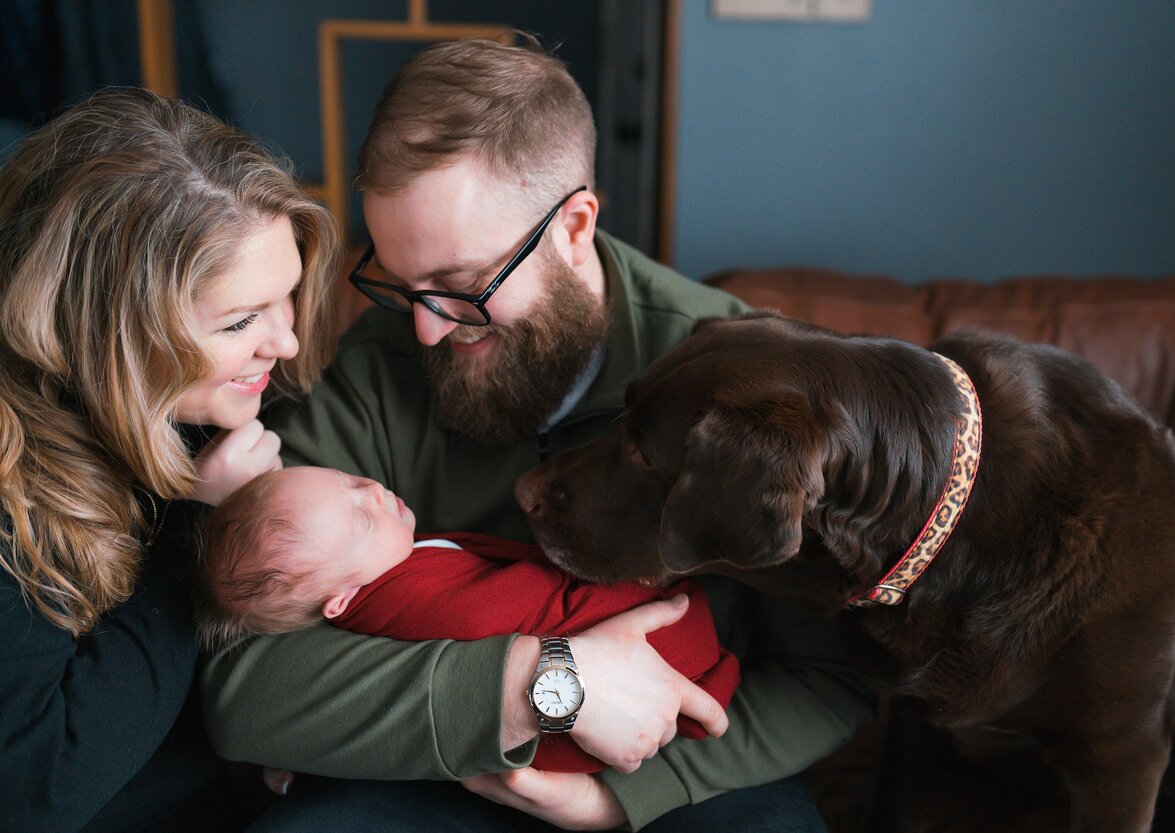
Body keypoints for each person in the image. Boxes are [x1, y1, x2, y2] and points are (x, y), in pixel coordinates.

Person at [200, 35, 875, 833]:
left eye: (459, 286)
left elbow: (829, 678)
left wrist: (614, 801)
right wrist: (537, 684)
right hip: (437, 769)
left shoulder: (740, 384)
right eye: (398, 281)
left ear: (576, 225)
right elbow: (242, 687)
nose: (422, 331)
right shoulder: (380, 365)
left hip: (681, 775)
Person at [0, 87, 340, 832]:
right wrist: (198, 526)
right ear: (111, 329)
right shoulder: (13, 485)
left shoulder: (216, 408)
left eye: (286, 296)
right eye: (241, 319)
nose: (282, 341)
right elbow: (41, 784)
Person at [195, 464, 741, 774]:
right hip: (599, 669)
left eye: (349, 481)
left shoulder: (385, 561)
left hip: (608, 685)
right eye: (362, 518)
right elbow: (500, 606)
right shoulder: (403, 596)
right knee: (683, 632)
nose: (375, 492)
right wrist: (609, 587)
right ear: (341, 599)